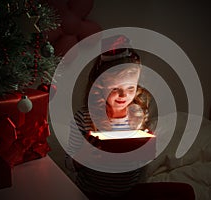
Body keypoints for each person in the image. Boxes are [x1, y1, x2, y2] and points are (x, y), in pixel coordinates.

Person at [65, 35, 156, 199]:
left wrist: (146, 150)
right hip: (91, 192)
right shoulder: (84, 118)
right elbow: (69, 165)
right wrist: (83, 156)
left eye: (130, 87)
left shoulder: (139, 116)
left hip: (129, 192)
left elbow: (142, 165)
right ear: (100, 86)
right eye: (115, 88)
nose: (123, 95)